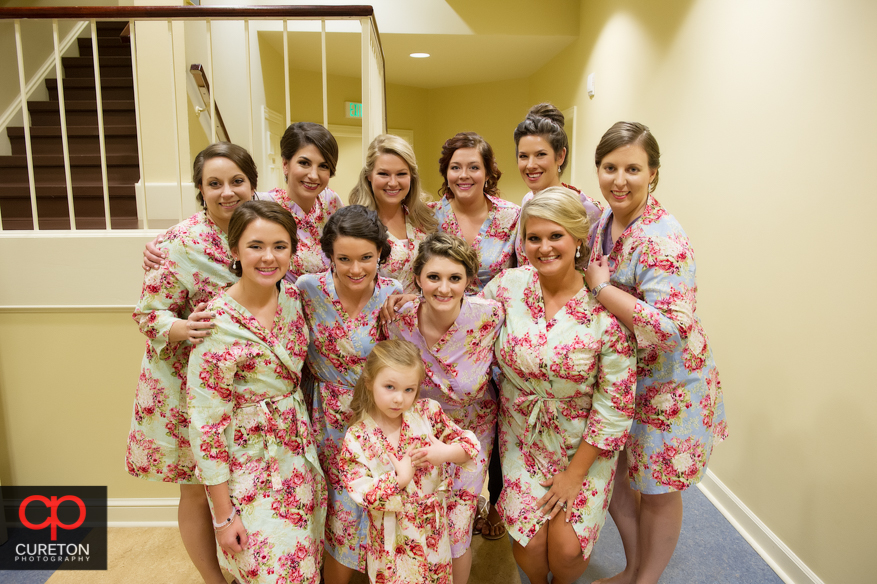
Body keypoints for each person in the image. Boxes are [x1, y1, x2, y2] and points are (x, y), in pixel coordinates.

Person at [584, 122, 728, 584]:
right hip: (627, 376)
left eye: (632, 168)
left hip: (670, 385)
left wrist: (603, 289)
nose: (619, 180)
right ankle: (633, 569)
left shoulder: (663, 237)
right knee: (624, 479)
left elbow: (670, 328)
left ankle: (647, 581)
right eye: (609, 168)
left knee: (659, 489)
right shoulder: (606, 221)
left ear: (654, 174)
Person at [480, 187, 636, 584]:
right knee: (530, 546)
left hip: (583, 443)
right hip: (522, 435)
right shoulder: (505, 288)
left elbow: (614, 405)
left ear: (578, 238)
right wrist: (404, 303)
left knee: (566, 550)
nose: (544, 247)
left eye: (556, 236)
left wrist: (574, 474)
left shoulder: (604, 304)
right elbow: (462, 326)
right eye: (534, 238)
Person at [126, 142, 259, 584]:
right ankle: (212, 580)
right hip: (183, 385)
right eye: (214, 184)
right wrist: (184, 328)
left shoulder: (262, 230)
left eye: (236, 181)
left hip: (243, 385)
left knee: (240, 482)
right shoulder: (179, 243)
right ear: (200, 191)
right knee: (198, 488)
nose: (227, 192)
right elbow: (148, 313)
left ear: (253, 184)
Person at [186, 200, 326, 584]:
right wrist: (222, 512)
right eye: (255, 246)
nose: (269, 257)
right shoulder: (214, 322)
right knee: (269, 570)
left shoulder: (295, 301)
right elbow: (206, 426)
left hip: (299, 455)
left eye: (280, 246)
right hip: (247, 463)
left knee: (304, 563)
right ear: (234, 250)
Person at [387, 232, 503, 584]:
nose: (443, 288)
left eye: (455, 278)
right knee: (415, 528)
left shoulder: (490, 316)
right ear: (418, 277)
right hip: (416, 436)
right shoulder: (398, 319)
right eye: (434, 277)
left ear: (469, 280)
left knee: (456, 531)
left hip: (469, 437)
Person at [296, 205, 402, 584]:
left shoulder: (393, 293)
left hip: (377, 416)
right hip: (324, 413)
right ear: (329, 255)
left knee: (373, 503)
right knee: (336, 505)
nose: (355, 269)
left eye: (366, 258)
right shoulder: (307, 289)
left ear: (380, 254)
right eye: (344, 259)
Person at [339, 340, 481, 584]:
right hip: (391, 542)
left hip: (433, 532)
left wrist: (445, 452)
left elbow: (471, 446)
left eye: (408, 390)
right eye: (390, 387)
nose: (399, 399)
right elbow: (358, 489)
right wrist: (399, 480)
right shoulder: (358, 436)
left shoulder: (427, 414)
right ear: (370, 382)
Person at [142, 122, 341, 281]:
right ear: (285, 164)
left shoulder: (331, 202)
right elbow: (212, 217)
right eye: (304, 163)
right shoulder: (262, 206)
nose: (313, 175)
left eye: (323, 166)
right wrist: (161, 242)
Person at [512, 103, 604, 265]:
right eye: (523, 156)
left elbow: (592, 267)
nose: (530, 165)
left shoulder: (587, 209)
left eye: (540, 154)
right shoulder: (527, 200)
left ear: (560, 156)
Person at [430, 132, 520, 294]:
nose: (464, 175)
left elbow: (527, 274)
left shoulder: (512, 217)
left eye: (474, 167)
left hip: (497, 314)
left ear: (487, 173)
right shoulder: (428, 217)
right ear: (446, 173)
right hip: (441, 314)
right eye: (455, 167)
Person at [349, 134, 438, 293]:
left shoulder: (424, 218)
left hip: (423, 313)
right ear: (369, 176)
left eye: (401, 174)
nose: (392, 182)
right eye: (383, 174)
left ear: (411, 176)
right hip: (377, 315)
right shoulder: (353, 224)